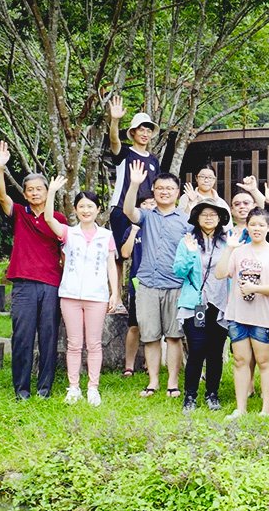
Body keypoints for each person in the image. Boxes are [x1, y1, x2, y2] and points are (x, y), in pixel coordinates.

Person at [0, 141, 66, 400]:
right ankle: (21, 390)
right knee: (22, 337)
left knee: (48, 338)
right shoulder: (20, 213)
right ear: (24, 194)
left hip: (51, 284)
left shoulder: (58, 219)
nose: (34, 193)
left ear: (47, 192)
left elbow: (66, 253)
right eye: (30, 190)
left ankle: (45, 389)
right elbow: (1, 196)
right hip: (23, 284)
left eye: (39, 189)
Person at [41, 181, 120, 406]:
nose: (86, 210)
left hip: (97, 296)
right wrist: (53, 192)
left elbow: (111, 266)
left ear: (98, 210)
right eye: (82, 206)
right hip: (70, 295)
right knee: (74, 344)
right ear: (75, 210)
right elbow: (48, 219)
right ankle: (73, 387)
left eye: (90, 206)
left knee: (94, 344)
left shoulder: (106, 236)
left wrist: (115, 293)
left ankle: (93, 388)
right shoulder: (69, 233)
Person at [123, 161, 193, 398]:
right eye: (160, 188)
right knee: (150, 336)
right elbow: (127, 211)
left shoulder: (187, 221)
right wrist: (133, 184)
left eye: (169, 188)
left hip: (176, 286)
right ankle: (153, 382)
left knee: (174, 336)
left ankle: (173, 382)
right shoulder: (145, 216)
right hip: (148, 285)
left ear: (177, 192)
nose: (164, 191)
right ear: (153, 190)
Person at [214, 207, 269, 419]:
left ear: (268, 227)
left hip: (264, 317)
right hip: (238, 314)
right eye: (253, 224)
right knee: (240, 360)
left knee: (264, 362)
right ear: (247, 226)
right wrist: (229, 249)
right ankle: (241, 408)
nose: (257, 228)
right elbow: (220, 273)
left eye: (261, 225)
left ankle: (266, 409)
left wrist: (255, 289)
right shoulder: (238, 251)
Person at [173, 197, 232, 411]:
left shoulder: (227, 242)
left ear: (220, 218)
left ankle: (212, 394)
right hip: (196, 304)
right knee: (197, 349)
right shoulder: (187, 241)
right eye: (204, 214)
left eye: (213, 214)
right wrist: (189, 254)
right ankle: (190, 396)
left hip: (220, 303)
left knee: (216, 351)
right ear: (197, 218)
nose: (209, 218)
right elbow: (179, 271)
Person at [106, 94, 159, 296]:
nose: (145, 134)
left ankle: (139, 296)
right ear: (133, 132)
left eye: (148, 130)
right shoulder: (125, 154)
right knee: (119, 255)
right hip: (121, 209)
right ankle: (116, 296)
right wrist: (115, 120)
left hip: (145, 213)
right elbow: (113, 140)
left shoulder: (154, 160)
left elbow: (158, 187)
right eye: (141, 130)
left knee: (142, 253)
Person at [119, 198, 152, 377]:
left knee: (154, 327)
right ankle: (129, 366)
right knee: (134, 326)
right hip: (137, 284)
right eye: (145, 204)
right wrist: (133, 230)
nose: (149, 207)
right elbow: (125, 253)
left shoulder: (160, 229)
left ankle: (150, 363)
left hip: (158, 284)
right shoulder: (132, 229)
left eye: (152, 204)